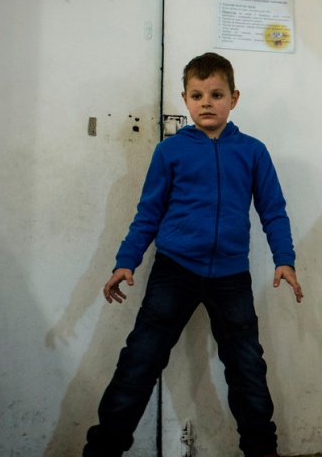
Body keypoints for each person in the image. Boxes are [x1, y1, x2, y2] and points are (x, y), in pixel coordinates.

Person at [83, 52, 303, 457]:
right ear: (184, 99)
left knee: (248, 371)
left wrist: (284, 259)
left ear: (233, 99)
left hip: (231, 276)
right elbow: (148, 214)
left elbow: (273, 210)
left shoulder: (253, 151)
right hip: (174, 271)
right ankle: (102, 450)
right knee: (139, 364)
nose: (207, 102)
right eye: (197, 94)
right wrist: (125, 262)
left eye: (216, 94)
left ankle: (262, 451)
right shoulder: (169, 152)